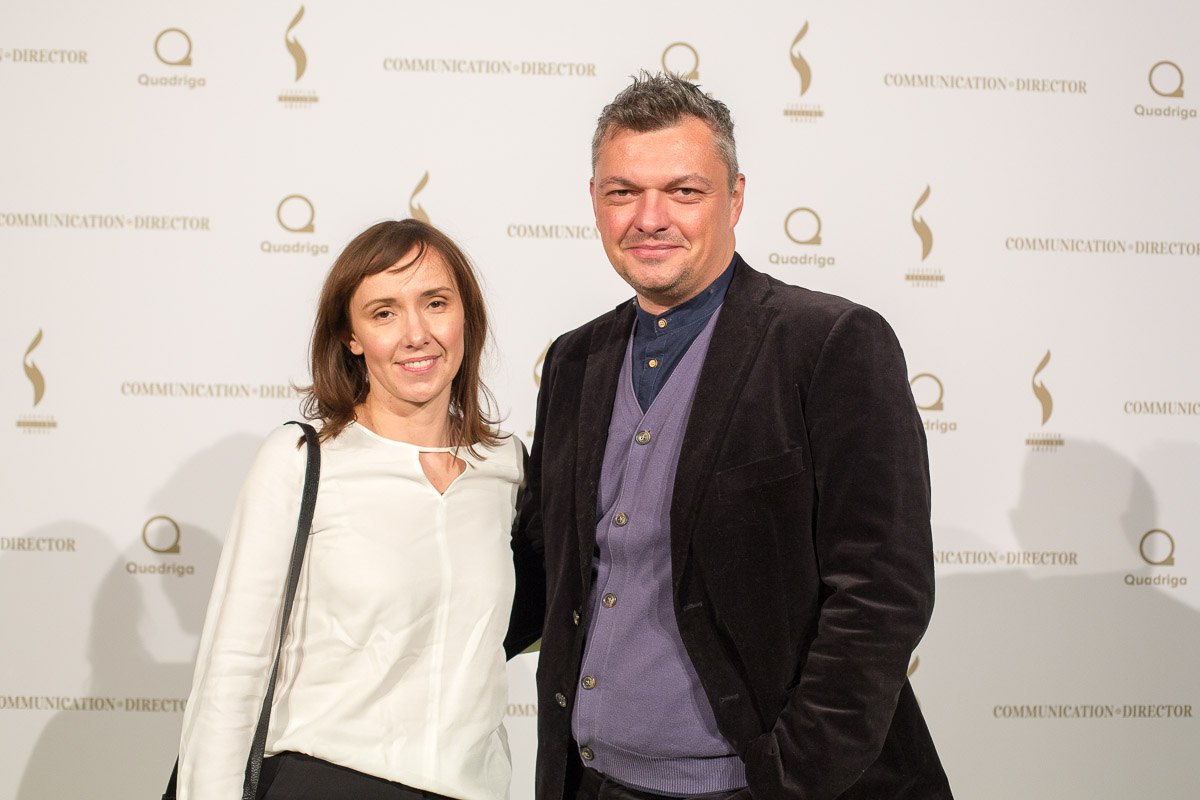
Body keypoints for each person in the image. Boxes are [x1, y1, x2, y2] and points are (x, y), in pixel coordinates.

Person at [508, 73, 953, 799]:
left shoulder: (829, 344)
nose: (650, 218)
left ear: (735, 198)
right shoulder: (574, 360)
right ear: (594, 201)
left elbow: (881, 593)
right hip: (591, 782)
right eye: (623, 192)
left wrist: (791, 778)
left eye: (684, 191)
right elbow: (542, 571)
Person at [177, 219, 528, 800]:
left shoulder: (506, 466)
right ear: (351, 336)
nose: (416, 334)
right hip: (324, 780)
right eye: (384, 313)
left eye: (435, 303)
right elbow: (233, 670)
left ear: (466, 315)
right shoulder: (303, 460)